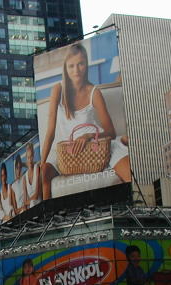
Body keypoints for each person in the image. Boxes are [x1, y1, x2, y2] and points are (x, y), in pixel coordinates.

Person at [40, 43, 131, 201]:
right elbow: (50, 132)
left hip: (95, 145)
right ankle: (48, 220)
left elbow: (111, 132)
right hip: (66, 148)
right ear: (65, 68)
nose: (76, 70)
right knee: (44, 174)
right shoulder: (58, 89)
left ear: (86, 64)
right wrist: (42, 162)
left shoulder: (94, 92)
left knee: (129, 172)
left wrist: (88, 136)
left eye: (81, 64)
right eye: (71, 66)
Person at [24, 142, 41, 209]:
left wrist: (27, 202)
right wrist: (26, 203)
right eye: (28, 157)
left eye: (31, 157)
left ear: (33, 156)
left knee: (33, 202)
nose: (30, 160)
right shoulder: (25, 176)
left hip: (38, 203)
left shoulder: (36, 168)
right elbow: (24, 202)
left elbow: (36, 195)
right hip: (30, 207)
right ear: (26, 158)